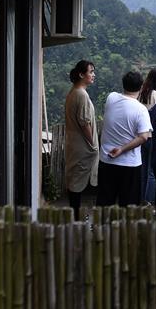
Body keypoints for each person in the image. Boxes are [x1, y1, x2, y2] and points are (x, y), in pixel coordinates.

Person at [96, 71, 152, 206]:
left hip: (106, 159)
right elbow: (144, 136)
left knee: (105, 201)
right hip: (130, 164)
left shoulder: (111, 98)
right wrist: (122, 149)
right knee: (128, 205)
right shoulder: (141, 110)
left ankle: (102, 226)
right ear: (142, 87)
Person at [64, 60, 99, 220]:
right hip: (82, 146)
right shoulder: (81, 94)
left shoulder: (74, 92)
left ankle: (75, 215)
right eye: (90, 72)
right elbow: (85, 123)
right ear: (81, 74)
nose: (93, 75)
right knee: (77, 183)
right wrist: (92, 144)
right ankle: (76, 217)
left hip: (74, 143)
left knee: (75, 181)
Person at [137, 68, 156, 203]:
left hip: (140, 136)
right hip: (153, 137)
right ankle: (149, 202)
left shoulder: (140, 94)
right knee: (152, 172)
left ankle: (140, 199)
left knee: (142, 171)